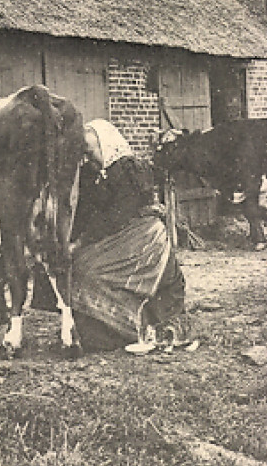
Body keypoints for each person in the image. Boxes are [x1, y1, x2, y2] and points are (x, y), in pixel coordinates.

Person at [70, 119, 193, 354]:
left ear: (106, 145)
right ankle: (99, 332)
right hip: (113, 236)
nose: (89, 158)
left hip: (142, 237)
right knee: (76, 267)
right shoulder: (90, 174)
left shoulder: (129, 170)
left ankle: (129, 327)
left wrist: (81, 242)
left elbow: (118, 215)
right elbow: (84, 213)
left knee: (91, 272)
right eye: (86, 153)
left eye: (92, 151)